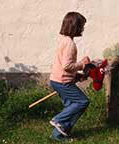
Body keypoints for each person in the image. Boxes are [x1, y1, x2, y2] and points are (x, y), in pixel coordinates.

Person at [49, 11, 90, 141]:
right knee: (82, 101)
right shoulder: (70, 44)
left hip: (57, 80)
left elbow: (63, 66)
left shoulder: (65, 41)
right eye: (82, 25)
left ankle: (58, 134)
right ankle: (59, 120)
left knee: (71, 105)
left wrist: (76, 76)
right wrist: (82, 64)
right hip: (62, 82)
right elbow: (67, 65)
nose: (83, 28)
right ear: (75, 27)